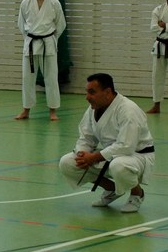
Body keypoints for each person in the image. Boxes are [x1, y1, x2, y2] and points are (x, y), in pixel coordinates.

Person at [58, 73, 154, 213]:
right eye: (87, 92)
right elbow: (86, 137)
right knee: (67, 163)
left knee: (118, 166)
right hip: (109, 155)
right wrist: (82, 155)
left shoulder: (128, 110)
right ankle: (112, 189)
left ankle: (137, 193)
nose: (87, 97)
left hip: (137, 156)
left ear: (107, 92)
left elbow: (126, 146)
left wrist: (94, 157)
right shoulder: (94, 108)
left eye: (92, 92)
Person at [15, 0, 66, 121]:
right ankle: (26, 110)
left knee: (51, 79)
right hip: (31, 45)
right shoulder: (26, 2)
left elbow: (61, 24)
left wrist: (51, 39)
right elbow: (21, 24)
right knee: (27, 79)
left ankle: (53, 111)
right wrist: (29, 39)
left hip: (48, 44)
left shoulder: (54, 3)